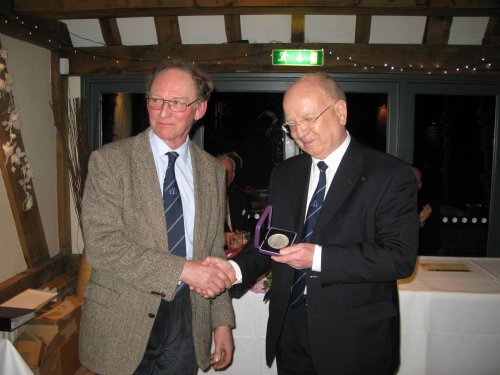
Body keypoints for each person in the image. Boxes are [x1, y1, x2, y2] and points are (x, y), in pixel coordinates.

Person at [202, 72, 418, 375]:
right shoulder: (287, 174)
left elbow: (399, 258)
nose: (300, 132)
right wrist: (233, 269)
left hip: (354, 339)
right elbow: (272, 239)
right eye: (292, 124)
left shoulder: (389, 174)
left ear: (340, 112)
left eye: (309, 118)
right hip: (291, 332)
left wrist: (316, 257)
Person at [79, 59, 235, 375]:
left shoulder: (212, 172)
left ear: (199, 109)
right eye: (155, 100)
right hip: (122, 315)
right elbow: (102, 244)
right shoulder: (110, 162)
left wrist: (221, 322)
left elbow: (213, 254)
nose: (163, 112)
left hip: (188, 317)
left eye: (177, 103)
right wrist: (183, 269)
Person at [216, 153, 253, 234]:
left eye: (227, 172)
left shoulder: (241, 201)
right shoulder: (202, 202)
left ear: (232, 176)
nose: (223, 176)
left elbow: (248, 231)